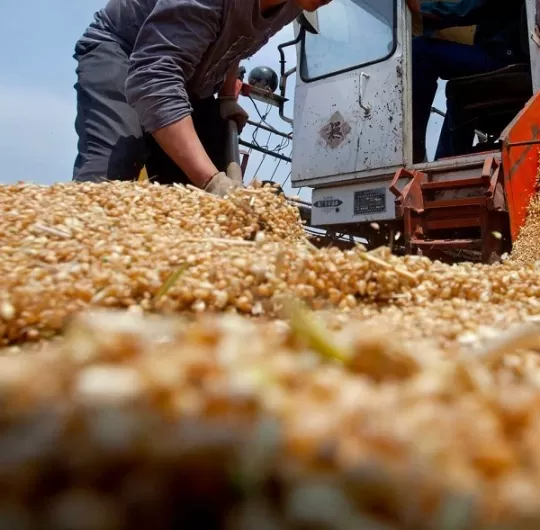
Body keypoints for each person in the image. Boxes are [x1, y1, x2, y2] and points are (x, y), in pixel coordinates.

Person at [72, 0, 330, 196]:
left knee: (208, 159)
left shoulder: (295, 6)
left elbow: (239, 37)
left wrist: (228, 95)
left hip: (185, 76)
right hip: (124, 53)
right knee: (111, 176)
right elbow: (155, 77)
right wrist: (211, 182)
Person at [408, 0, 527, 163]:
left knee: (419, 51)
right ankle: (446, 161)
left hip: (502, 58)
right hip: (505, 56)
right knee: (458, 91)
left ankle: (412, 148)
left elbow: (463, 11)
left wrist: (423, 8)